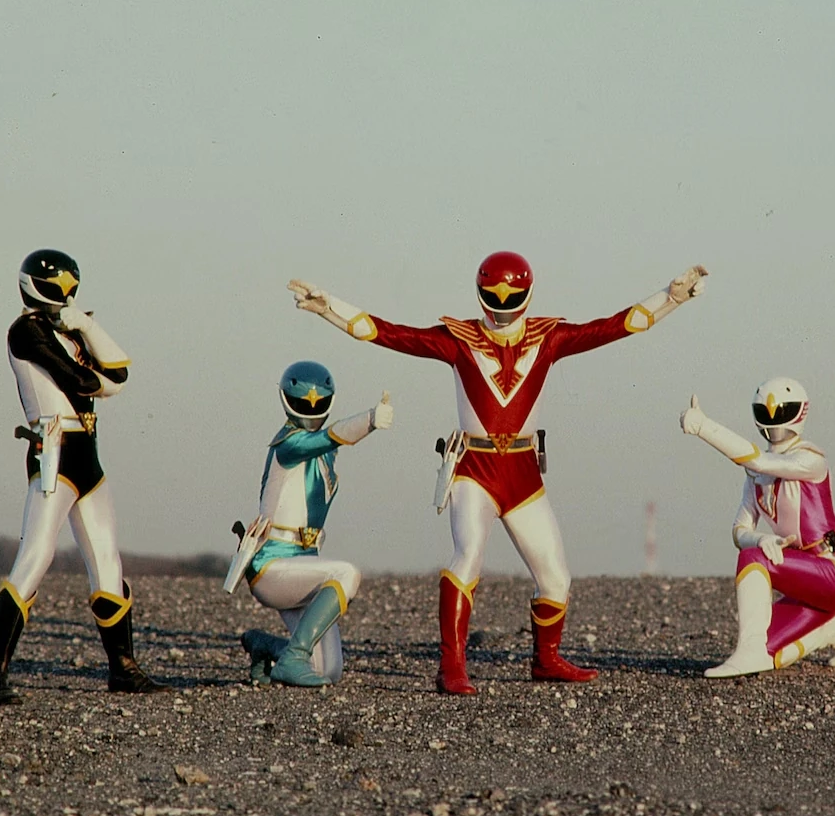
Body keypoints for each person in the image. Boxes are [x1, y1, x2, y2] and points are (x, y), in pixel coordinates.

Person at [288, 253, 708, 694]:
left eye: (509, 297)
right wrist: (328, 308)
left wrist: (672, 297)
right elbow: (388, 333)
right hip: (475, 468)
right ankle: (452, 665)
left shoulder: (548, 337)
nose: (502, 307)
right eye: (494, 297)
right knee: (467, 557)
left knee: (555, 577)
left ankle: (546, 659)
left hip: (522, 473)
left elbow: (617, 326)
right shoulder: (460, 339)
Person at [0, 249, 166, 705]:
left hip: (86, 456)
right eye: (59, 286)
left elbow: (119, 369)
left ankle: (123, 667)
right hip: (55, 453)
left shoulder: (66, 329)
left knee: (107, 563)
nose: (65, 294)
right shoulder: (26, 330)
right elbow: (79, 380)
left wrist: (86, 327)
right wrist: (104, 377)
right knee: (35, 557)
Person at [679, 379, 835, 677]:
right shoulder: (756, 476)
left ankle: (748, 651)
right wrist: (761, 538)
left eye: (782, 412)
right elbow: (739, 530)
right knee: (770, 651)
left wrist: (705, 428)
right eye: (767, 413)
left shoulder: (810, 460)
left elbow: (761, 461)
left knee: (752, 560)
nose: (775, 422)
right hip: (804, 581)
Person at [232, 361, 393, 687]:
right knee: (347, 573)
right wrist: (369, 420)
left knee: (328, 671)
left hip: (303, 566)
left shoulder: (324, 452)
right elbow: (328, 437)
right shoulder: (288, 443)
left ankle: (267, 646)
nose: (311, 406)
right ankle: (294, 656)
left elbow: (326, 440)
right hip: (272, 565)